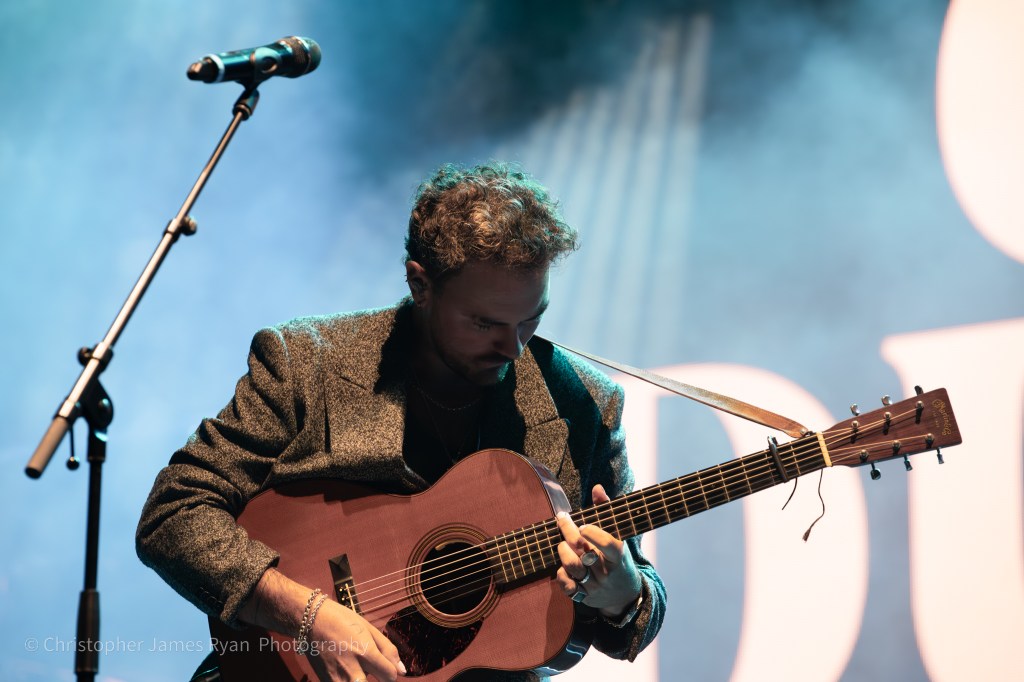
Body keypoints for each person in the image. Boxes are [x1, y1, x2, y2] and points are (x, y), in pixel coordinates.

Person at [136, 162, 666, 682]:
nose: (513, 348)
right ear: (420, 284)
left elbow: (642, 601)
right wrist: (306, 614)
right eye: (484, 323)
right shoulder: (307, 363)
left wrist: (625, 595)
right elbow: (173, 512)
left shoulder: (584, 404)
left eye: (532, 319)